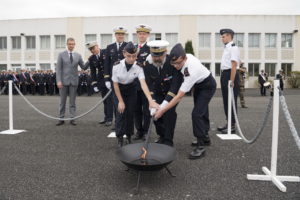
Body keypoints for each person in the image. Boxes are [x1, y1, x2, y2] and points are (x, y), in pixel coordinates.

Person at [154, 43, 216, 159]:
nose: (176, 66)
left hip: (207, 85)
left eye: (179, 63)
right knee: (202, 110)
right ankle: (205, 137)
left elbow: (178, 97)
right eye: (174, 63)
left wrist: (162, 110)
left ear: (185, 58)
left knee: (197, 114)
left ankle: (201, 146)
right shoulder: (183, 56)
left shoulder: (191, 70)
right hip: (197, 85)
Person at [112, 42, 159, 147]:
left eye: (134, 56)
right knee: (120, 112)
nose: (131, 59)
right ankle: (120, 138)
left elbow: (143, 84)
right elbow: (115, 85)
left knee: (130, 114)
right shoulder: (116, 66)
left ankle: (128, 136)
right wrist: (120, 101)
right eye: (129, 56)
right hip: (119, 90)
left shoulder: (138, 66)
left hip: (131, 89)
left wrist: (150, 100)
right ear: (124, 54)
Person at [143, 40, 183, 146]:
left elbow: (175, 84)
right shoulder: (147, 64)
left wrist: (165, 104)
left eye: (159, 56)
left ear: (165, 53)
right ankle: (162, 135)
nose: (156, 58)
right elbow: (149, 83)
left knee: (169, 114)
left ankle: (168, 140)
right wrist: (153, 101)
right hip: (157, 94)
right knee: (154, 114)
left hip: (171, 94)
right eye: (154, 56)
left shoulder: (172, 62)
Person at [56, 37, 89, 126]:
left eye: (73, 44)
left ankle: (72, 118)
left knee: (72, 102)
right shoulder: (61, 54)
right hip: (63, 82)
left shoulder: (78, 55)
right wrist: (58, 81)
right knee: (62, 102)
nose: (71, 45)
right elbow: (58, 69)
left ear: (74, 45)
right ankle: (61, 118)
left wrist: (90, 59)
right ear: (67, 45)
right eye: (69, 44)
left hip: (74, 81)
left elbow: (84, 67)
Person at [104, 26, 128, 129]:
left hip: (126, 79)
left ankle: (126, 122)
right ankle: (117, 122)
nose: (120, 36)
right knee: (115, 102)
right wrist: (106, 79)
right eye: (118, 34)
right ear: (115, 35)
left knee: (126, 101)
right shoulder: (109, 47)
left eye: (122, 34)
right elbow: (106, 64)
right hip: (114, 80)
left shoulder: (128, 46)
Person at [217, 29, 240, 134]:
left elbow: (234, 65)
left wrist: (231, 80)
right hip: (225, 74)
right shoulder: (227, 48)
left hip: (230, 74)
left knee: (231, 100)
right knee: (226, 100)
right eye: (221, 37)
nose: (222, 38)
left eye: (223, 36)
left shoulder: (233, 48)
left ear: (229, 36)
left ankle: (232, 125)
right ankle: (229, 122)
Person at [86, 42, 113, 126]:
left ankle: (110, 119)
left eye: (93, 48)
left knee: (109, 100)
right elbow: (93, 72)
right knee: (104, 100)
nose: (92, 50)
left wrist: (110, 79)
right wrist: (94, 84)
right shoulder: (91, 59)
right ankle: (106, 117)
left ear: (97, 46)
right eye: (90, 49)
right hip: (101, 80)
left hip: (110, 78)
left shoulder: (106, 52)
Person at [133, 24, 152, 140]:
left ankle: (145, 131)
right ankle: (138, 130)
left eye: (144, 33)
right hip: (134, 84)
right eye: (140, 33)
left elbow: (150, 65)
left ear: (147, 35)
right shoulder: (133, 47)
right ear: (137, 35)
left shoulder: (150, 48)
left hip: (146, 83)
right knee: (136, 110)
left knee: (146, 109)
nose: (141, 35)